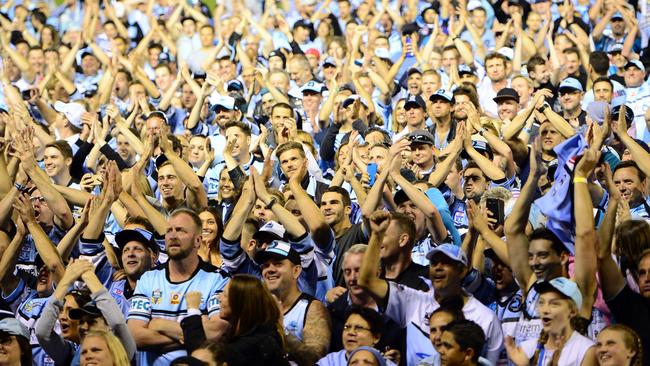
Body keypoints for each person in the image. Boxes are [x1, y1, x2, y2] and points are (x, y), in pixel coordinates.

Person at [359, 211, 503, 365]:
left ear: (461, 271)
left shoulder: (485, 318)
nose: (438, 268)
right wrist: (376, 235)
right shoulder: (413, 301)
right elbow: (367, 281)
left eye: (446, 263)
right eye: (434, 263)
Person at [127, 209, 229, 365]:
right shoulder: (148, 279)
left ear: (197, 241)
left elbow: (216, 332)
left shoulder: (217, 280)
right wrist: (193, 335)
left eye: (180, 230)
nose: (173, 236)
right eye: (169, 231)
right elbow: (135, 336)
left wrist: (159, 325)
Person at [255, 241, 331, 365]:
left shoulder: (312, 308)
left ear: (296, 271)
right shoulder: (258, 308)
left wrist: (280, 329)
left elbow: (315, 359)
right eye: (266, 265)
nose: (270, 269)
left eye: (278, 264)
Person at [504, 277, 597, 366]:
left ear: (572, 311)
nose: (545, 310)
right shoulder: (527, 349)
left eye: (554, 304)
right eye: (541, 302)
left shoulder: (586, 350)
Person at [318, 307, 398, 366]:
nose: (351, 333)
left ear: (376, 337)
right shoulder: (329, 362)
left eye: (359, 328)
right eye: (347, 327)